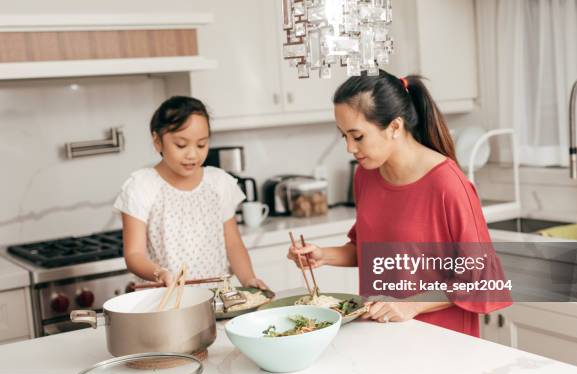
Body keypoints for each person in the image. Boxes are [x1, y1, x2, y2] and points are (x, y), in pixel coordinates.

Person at [287, 71, 510, 336]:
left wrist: (411, 306)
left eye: (357, 137)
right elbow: (373, 251)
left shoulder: (447, 184)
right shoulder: (365, 175)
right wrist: (323, 255)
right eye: (343, 136)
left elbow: (483, 280)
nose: (349, 147)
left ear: (394, 127)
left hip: (443, 342)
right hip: (381, 334)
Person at [114, 96, 268, 290]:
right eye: (181, 145)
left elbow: (234, 245)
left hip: (217, 299)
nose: (192, 154)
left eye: (201, 144)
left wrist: (248, 280)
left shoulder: (219, 183)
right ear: (157, 141)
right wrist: (159, 272)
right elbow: (134, 255)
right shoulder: (141, 187)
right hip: (166, 302)